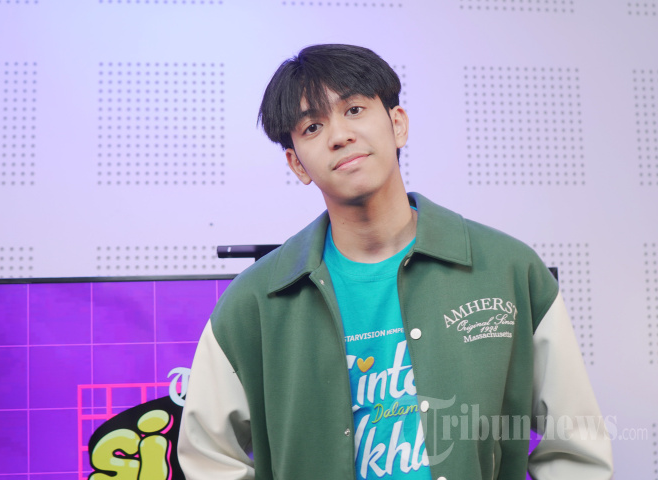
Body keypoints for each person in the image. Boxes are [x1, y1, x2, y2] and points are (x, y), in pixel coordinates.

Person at [177, 44, 613, 479]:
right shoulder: (254, 301)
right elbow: (207, 458)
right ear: (297, 164)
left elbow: (577, 447)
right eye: (312, 127)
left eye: (354, 110)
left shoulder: (508, 269)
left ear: (397, 124)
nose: (339, 135)